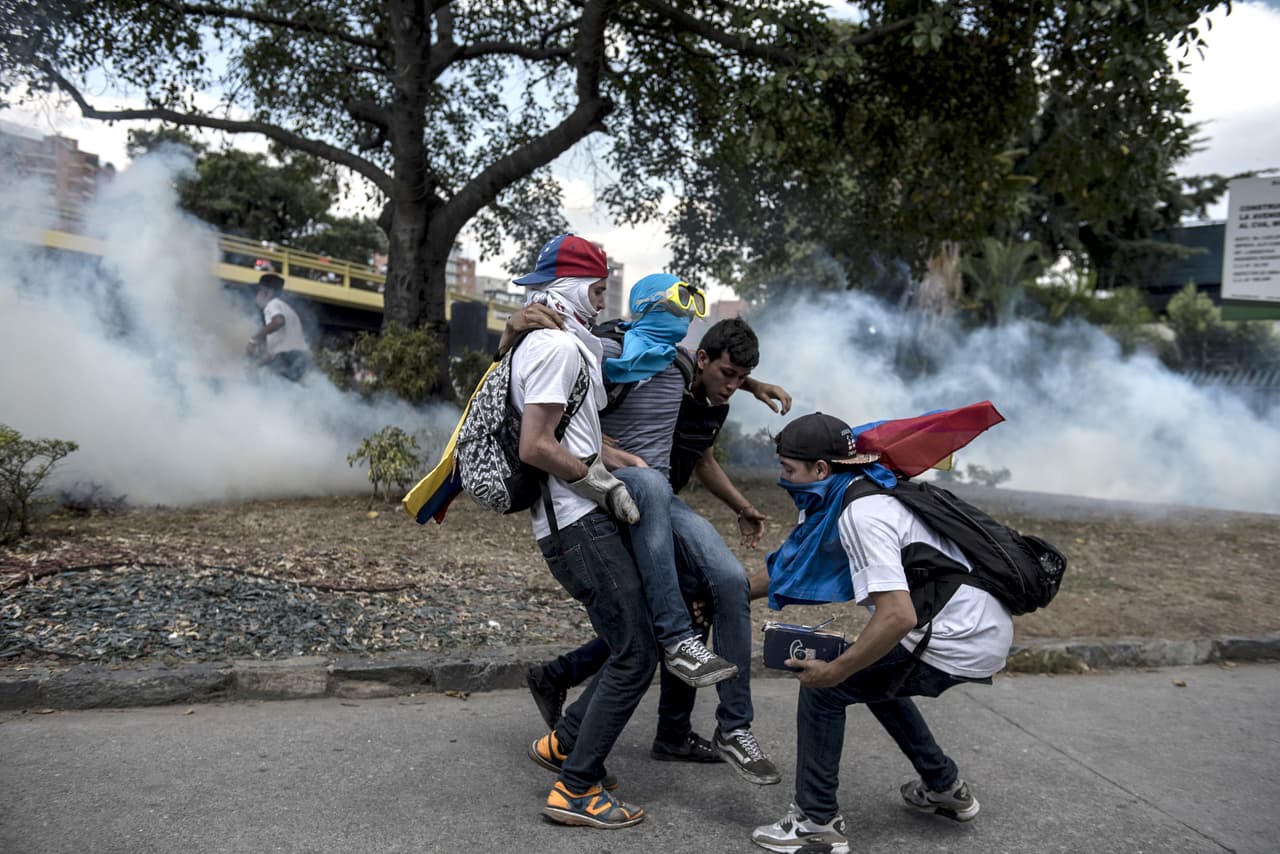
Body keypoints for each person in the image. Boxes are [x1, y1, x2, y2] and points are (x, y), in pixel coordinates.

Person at [517, 278, 792, 785]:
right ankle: (590, 737)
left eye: (683, 325)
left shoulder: (682, 362)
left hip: (661, 496)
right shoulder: (606, 349)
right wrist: (513, 326)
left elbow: (713, 372)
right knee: (647, 635)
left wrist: (755, 386)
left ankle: (734, 726)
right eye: (668, 319)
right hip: (613, 487)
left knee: (728, 581)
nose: (676, 333)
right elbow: (548, 378)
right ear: (644, 311)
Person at [747, 412, 1013, 854]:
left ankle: (817, 824)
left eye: (788, 469)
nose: (782, 478)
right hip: (978, 627)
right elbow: (791, 566)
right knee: (876, 679)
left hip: (953, 635)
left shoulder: (861, 514)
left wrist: (835, 671)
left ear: (821, 470)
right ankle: (944, 786)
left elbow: (897, 617)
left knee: (827, 688)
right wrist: (734, 591)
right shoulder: (861, 490)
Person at [507, 233, 657, 830]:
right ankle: (576, 791)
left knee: (633, 638)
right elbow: (536, 445)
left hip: (574, 521)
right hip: (575, 525)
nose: (600, 303)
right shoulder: (556, 348)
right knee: (635, 653)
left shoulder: (552, 342)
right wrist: (601, 484)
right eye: (596, 290)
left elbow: (568, 432)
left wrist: (615, 458)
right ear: (570, 287)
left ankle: (566, 744)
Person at [246, 274, 309, 381]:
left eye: (258, 291)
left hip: (289, 358)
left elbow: (279, 321)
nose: (256, 296)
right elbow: (272, 353)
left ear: (267, 293)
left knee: (270, 384)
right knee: (277, 389)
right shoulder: (286, 309)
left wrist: (254, 339)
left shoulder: (273, 304)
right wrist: (255, 366)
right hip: (299, 360)